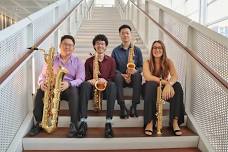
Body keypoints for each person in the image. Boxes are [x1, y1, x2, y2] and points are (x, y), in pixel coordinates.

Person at [29, 35, 85, 137]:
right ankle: (38, 123)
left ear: (73, 47)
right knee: (40, 92)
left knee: (74, 91)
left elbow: (81, 79)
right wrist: (42, 84)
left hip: (67, 89)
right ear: (60, 45)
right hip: (53, 87)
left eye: (70, 45)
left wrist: (69, 84)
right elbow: (42, 75)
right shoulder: (51, 59)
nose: (67, 47)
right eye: (65, 44)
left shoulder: (78, 61)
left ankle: (74, 124)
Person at [143, 40, 185, 136]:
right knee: (151, 84)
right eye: (154, 47)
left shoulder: (168, 62)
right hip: (149, 90)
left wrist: (169, 84)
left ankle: (175, 122)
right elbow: (148, 77)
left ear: (163, 50)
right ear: (151, 50)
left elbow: (175, 76)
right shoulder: (147, 62)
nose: (157, 50)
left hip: (163, 90)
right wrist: (167, 83)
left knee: (177, 86)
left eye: (159, 48)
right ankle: (150, 122)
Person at [78, 34, 116, 138]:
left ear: (106, 46)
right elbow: (86, 77)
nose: (100, 45)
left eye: (102, 44)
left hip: (105, 87)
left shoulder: (111, 60)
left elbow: (113, 76)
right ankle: (83, 121)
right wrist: (91, 81)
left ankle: (108, 122)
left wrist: (105, 80)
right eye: (98, 43)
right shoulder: (89, 61)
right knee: (84, 85)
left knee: (112, 85)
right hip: (92, 88)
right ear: (94, 46)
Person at [112, 24, 143, 119]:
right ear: (120, 35)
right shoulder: (115, 51)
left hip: (133, 78)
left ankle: (134, 106)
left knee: (138, 76)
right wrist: (121, 74)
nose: (125, 35)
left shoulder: (137, 50)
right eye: (123, 33)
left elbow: (141, 66)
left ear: (131, 35)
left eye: (127, 33)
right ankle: (122, 106)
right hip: (121, 78)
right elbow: (113, 68)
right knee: (116, 76)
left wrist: (135, 71)